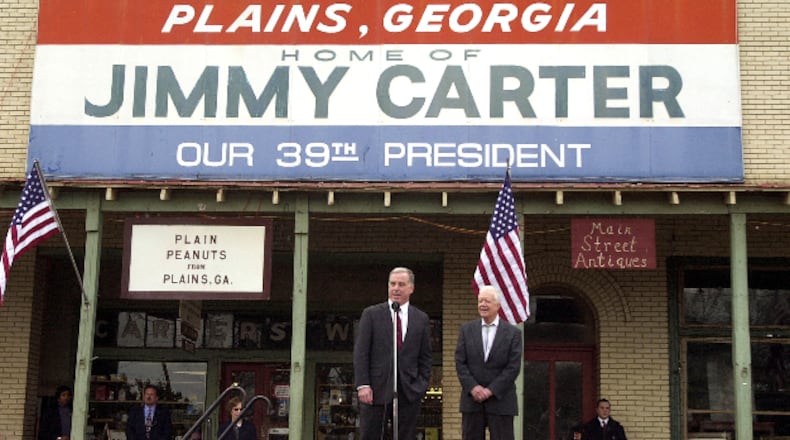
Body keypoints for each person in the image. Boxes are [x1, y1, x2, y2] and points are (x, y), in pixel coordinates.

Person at [354, 267, 433, 440]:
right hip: (375, 392)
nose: (396, 288)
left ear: (411, 288)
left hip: (408, 392)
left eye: (401, 284)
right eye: (392, 284)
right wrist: (363, 384)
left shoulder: (421, 319)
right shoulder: (371, 315)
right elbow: (361, 352)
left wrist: (420, 386)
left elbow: (425, 357)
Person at [455, 285, 523, 440]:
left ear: (497, 306)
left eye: (487, 301)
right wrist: (473, 387)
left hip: (501, 401)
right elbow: (460, 362)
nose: (482, 304)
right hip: (472, 401)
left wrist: (490, 390)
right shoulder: (466, 330)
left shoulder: (513, 334)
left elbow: (513, 367)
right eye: (480, 301)